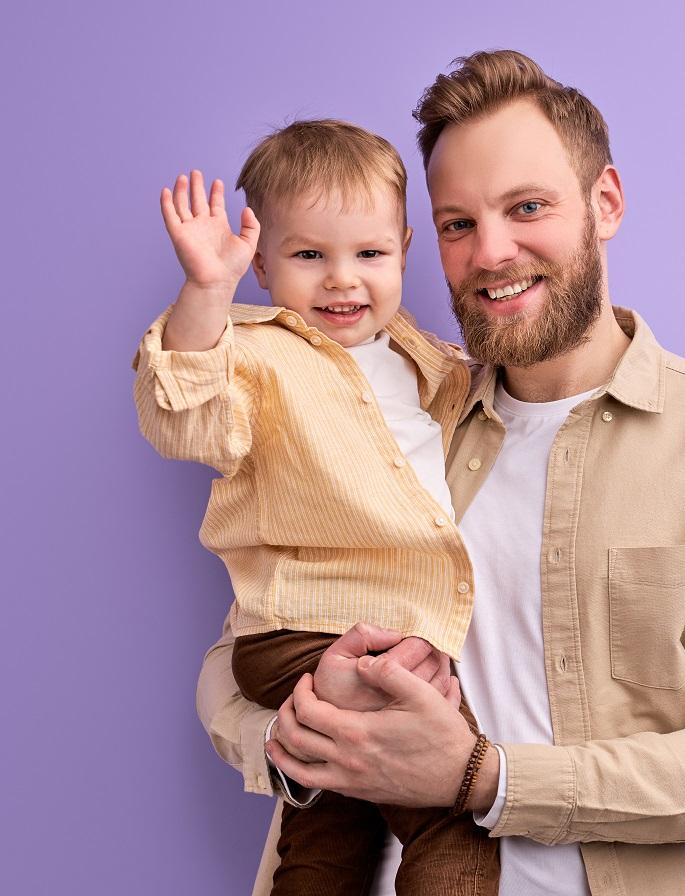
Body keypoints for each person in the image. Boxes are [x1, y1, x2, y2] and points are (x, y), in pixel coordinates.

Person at [198, 50, 685, 896]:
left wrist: (483, 779)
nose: (492, 252)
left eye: (527, 207)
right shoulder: (404, 419)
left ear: (605, 203)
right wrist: (303, 728)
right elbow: (233, 660)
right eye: (458, 224)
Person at [135, 120, 500, 895]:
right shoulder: (258, 351)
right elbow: (185, 418)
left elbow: (476, 415)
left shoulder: (420, 356)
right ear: (261, 262)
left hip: (381, 628)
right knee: (449, 814)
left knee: (331, 829)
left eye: (368, 254)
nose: (342, 280)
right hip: (307, 628)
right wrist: (206, 291)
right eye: (309, 256)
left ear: (403, 249)